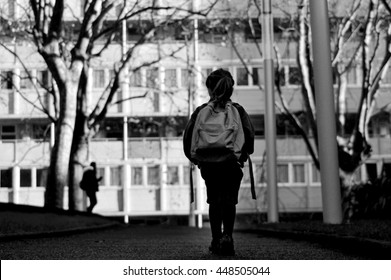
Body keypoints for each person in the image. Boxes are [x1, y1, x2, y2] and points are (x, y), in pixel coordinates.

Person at [183, 68, 255, 256]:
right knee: (229, 200)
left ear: (209, 89)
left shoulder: (201, 111)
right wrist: (244, 154)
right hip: (231, 162)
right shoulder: (238, 110)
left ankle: (215, 240)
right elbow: (249, 135)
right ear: (230, 88)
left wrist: (196, 159)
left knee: (214, 200)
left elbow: (188, 138)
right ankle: (228, 237)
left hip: (208, 163)